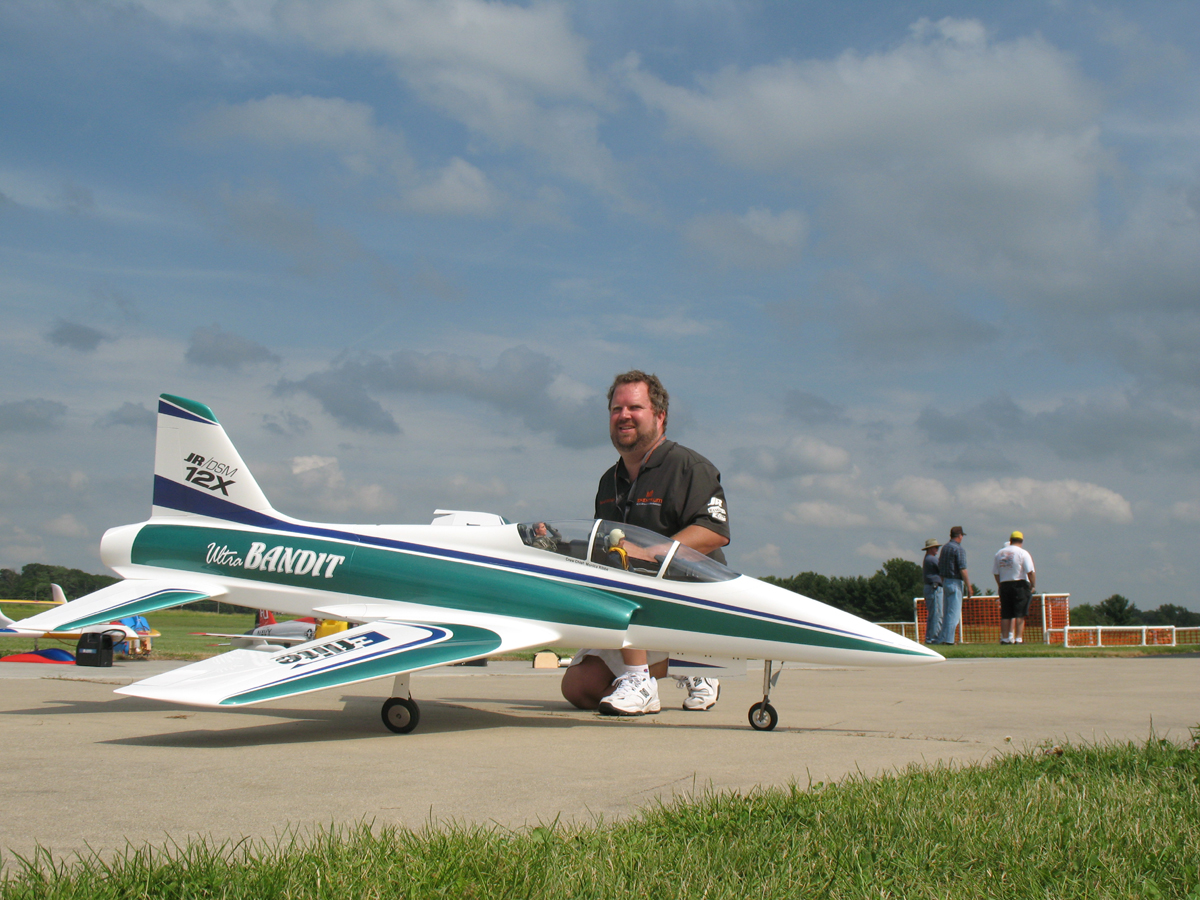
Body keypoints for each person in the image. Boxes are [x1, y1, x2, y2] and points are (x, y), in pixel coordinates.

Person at [561, 370, 730, 716]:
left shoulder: (689, 467)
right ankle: (687, 665)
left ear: (659, 416)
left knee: (626, 565)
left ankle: (643, 678)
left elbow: (715, 531)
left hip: (688, 602)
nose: (623, 416)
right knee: (577, 688)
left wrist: (649, 554)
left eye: (634, 407)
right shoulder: (609, 481)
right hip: (635, 610)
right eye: (616, 409)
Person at [993, 531, 1036, 644]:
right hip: (1019, 584)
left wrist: (1000, 584)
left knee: (1006, 613)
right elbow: (1030, 571)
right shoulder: (1023, 553)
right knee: (1020, 613)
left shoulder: (999, 553)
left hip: (1005, 584)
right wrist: (1033, 584)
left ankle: (1005, 638)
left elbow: (996, 573)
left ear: (1011, 540)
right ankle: (1018, 638)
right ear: (1021, 541)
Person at [933, 526, 971, 644]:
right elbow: (962, 569)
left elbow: (941, 566)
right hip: (955, 582)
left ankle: (942, 638)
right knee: (953, 615)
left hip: (946, 582)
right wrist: (969, 586)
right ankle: (949, 640)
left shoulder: (945, 548)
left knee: (947, 613)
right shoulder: (958, 549)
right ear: (960, 536)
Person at [921, 538, 943, 645]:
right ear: (930, 549)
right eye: (936, 547)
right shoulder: (932, 559)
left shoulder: (927, 558)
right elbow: (942, 568)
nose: (937, 549)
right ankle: (935, 638)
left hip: (930, 588)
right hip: (934, 588)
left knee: (933, 614)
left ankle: (930, 638)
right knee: (937, 614)